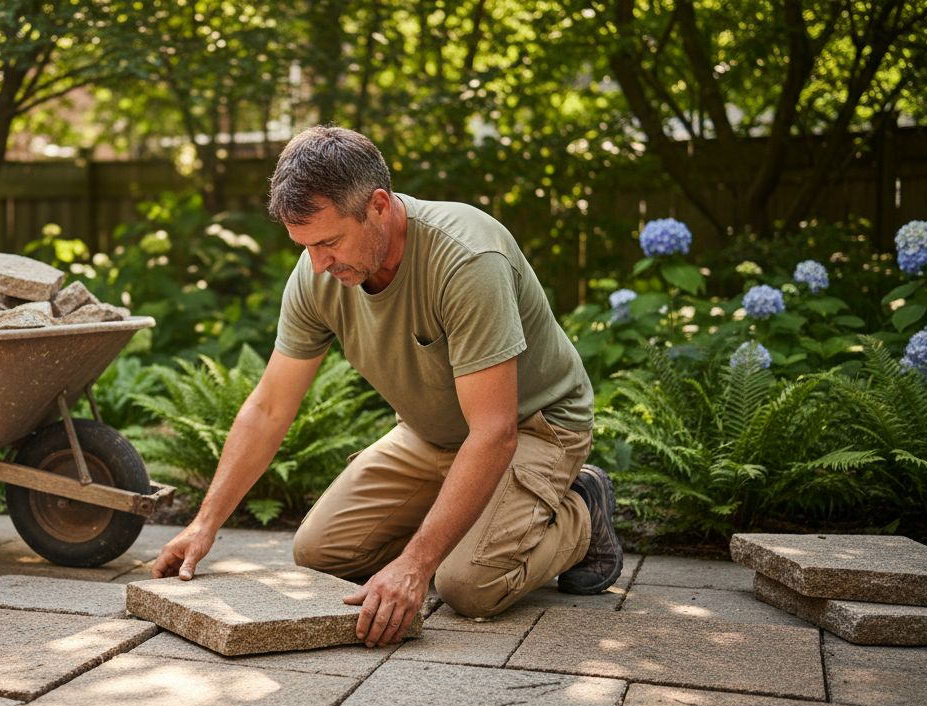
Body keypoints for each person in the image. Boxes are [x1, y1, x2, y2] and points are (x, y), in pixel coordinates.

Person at [150, 125, 621, 648]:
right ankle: (471, 517)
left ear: (378, 205)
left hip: (535, 426)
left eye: (328, 242)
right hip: (428, 435)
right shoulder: (318, 275)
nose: (318, 265)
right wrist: (204, 525)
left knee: (468, 586)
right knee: (321, 554)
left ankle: (581, 506)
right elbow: (268, 407)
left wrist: (416, 566)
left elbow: (494, 432)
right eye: (305, 247)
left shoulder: (465, 260)